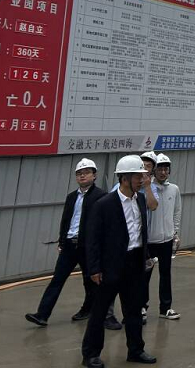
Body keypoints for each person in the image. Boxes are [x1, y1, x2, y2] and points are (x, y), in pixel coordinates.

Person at [81, 155, 157, 367]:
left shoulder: (139, 200)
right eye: (138, 177)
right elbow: (93, 239)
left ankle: (136, 350)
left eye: (143, 176)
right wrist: (94, 269)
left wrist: (145, 257)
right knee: (99, 312)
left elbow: (140, 232)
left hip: (134, 262)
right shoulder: (104, 204)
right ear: (124, 178)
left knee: (133, 310)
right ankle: (90, 354)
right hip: (110, 265)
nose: (142, 180)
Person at [25, 158, 105, 327]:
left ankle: (89, 310)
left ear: (94, 175)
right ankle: (42, 315)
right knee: (57, 280)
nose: (82, 176)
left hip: (87, 246)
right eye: (79, 173)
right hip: (69, 245)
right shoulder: (71, 197)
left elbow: (102, 224)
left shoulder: (101, 197)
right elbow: (65, 220)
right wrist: (62, 241)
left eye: (86, 173)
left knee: (90, 281)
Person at [104, 151, 159, 330]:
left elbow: (152, 207)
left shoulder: (143, 195)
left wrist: (147, 187)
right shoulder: (112, 197)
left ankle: (133, 325)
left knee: (133, 293)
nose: (143, 176)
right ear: (125, 177)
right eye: (139, 173)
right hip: (117, 253)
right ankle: (106, 317)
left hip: (136, 252)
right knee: (109, 290)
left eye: (147, 169)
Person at [147, 153, 182, 321]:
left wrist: (175, 233)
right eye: (159, 169)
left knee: (165, 275)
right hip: (149, 240)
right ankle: (142, 307)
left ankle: (165, 308)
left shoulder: (174, 189)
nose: (163, 172)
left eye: (165, 169)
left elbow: (176, 212)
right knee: (144, 276)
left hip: (166, 240)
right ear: (154, 170)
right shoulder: (148, 189)